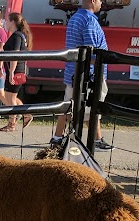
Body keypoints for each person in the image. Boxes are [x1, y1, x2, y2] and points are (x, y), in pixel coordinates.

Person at [50, 0, 113, 151]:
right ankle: (94, 140)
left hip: (74, 72)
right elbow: (91, 52)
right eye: (99, 0)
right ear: (92, 1)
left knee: (70, 105)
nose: (101, 4)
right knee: (90, 106)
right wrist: (99, 71)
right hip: (88, 75)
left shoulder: (76, 17)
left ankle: (59, 138)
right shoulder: (89, 21)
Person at [0, 12, 33, 132]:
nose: (5, 23)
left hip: (16, 71)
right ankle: (26, 114)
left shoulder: (17, 36)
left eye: (7, 21)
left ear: (12, 22)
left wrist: (11, 72)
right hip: (17, 70)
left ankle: (12, 124)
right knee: (11, 96)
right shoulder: (20, 35)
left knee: (10, 98)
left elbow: (15, 55)